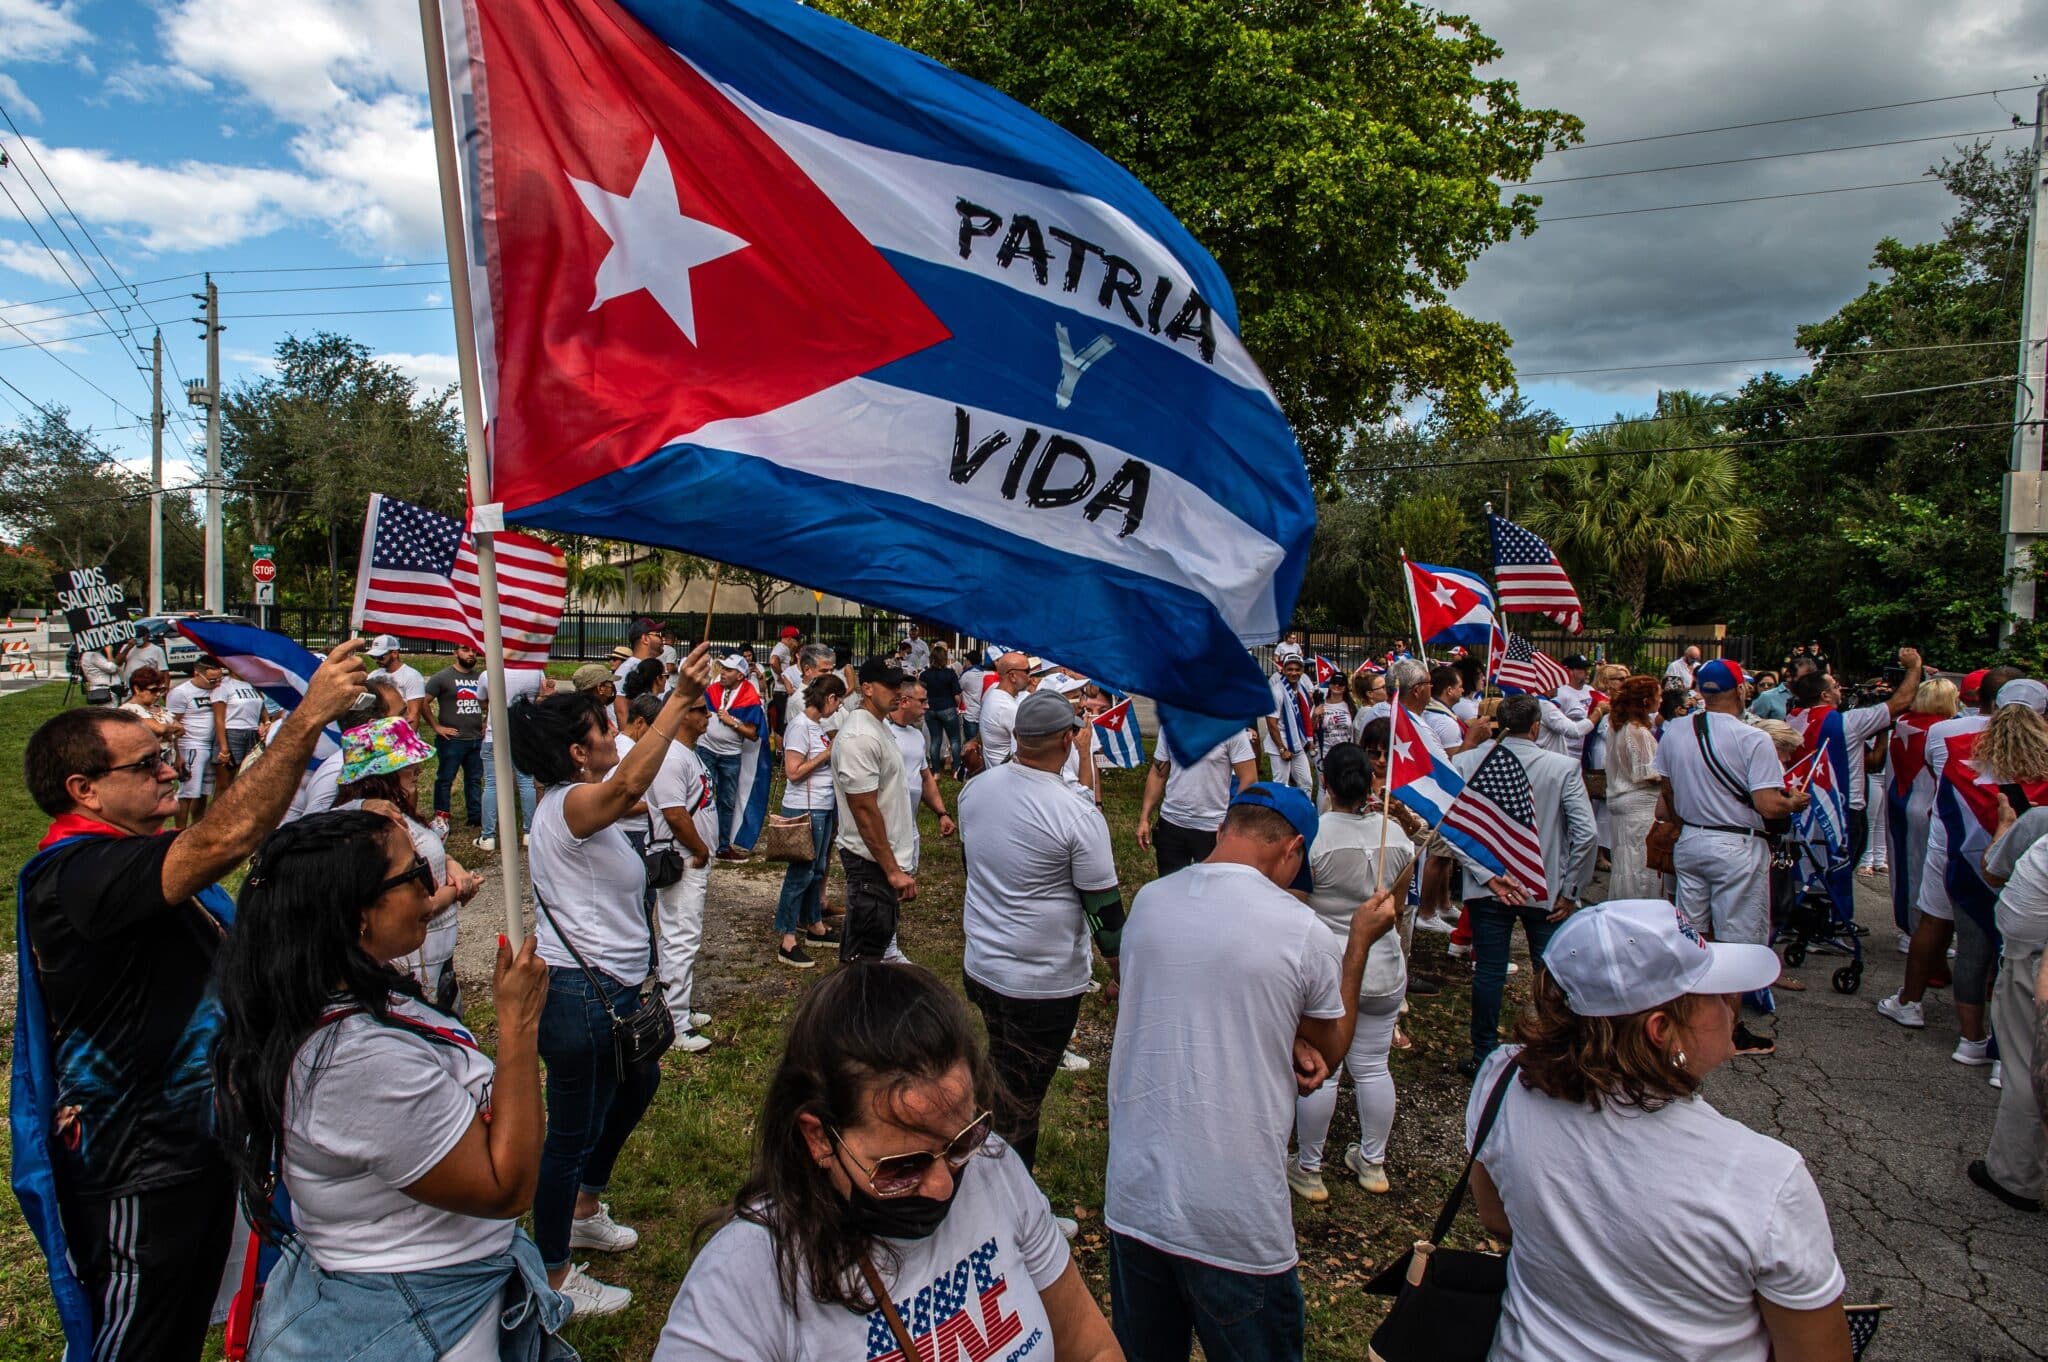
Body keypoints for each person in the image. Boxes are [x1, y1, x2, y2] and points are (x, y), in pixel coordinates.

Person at [13, 639, 367, 1362]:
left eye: (166, 751)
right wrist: (305, 723)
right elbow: (227, 835)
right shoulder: (78, 873)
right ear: (84, 790)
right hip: (136, 1161)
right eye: (146, 765)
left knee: (179, 1325)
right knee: (137, 1339)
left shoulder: (129, 859)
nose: (171, 768)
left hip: (196, 1140)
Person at [210, 810, 567, 1359]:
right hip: (417, 1313)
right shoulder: (355, 1063)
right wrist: (518, 1026)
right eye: (414, 875)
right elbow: (506, 1187)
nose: (434, 885)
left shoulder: (342, 1001)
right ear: (357, 915)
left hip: (427, 1284)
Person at [655, 960, 1121, 1361]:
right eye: (902, 1167)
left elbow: (1089, 1344)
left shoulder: (993, 1166)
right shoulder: (745, 1279)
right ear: (819, 1138)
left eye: (960, 1141)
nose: (942, 1186)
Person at [1467, 899, 1851, 1362]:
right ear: (1661, 1029)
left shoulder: (1502, 1078)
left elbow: (1497, 1218)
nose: (1734, 1005)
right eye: (1716, 994)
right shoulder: (1765, 1177)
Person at [1106, 783, 1397, 1360]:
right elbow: (1328, 1051)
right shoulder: (1300, 929)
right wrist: (1359, 943)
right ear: (1291, 849)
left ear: (1222, 831)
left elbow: (1186, 986)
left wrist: (1276, 1024)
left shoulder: (1151, 901)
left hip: (1136, 1194)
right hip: (1233, 1219)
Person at [507, 642, 712, 1316]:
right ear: (577, 752)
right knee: (568, 1131)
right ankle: (555, 1274)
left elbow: (629, 797)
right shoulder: (568, 805)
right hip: (579, 996)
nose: (614, 738)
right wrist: (679, 698)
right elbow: (628, 788)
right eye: (603, 730)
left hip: (611, 992)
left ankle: (586, 1205)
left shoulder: (575, 800)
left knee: (641, 1078)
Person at [958, 690, 1123, 1179]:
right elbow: (1105, 915)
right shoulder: (1076, 815)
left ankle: (983, 1177)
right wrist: (1126, 974)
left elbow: (976, 869)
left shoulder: (976, 790)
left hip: (983, 966)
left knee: (1002, 1076)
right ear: (1068, 740)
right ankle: (1011, 1207)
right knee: (1021, 1103)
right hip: (1040, 984)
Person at [1653, 659, 1807, 1056]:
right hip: (1736, 844)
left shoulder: (1674, 731)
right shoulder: (1752, 739)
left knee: (1695, 935)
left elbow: (1667, 793)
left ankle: (1688, 1017)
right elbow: (1768, 804)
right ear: (1741, 691)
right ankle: (1728, 1030)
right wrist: (1794, 803)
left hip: (1691, 840)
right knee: (1736, 942)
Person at [1289, 743, 1414, 1202]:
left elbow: (1297, 909)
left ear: (1326, 783)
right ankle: (1373, 1162)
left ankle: (1309, 1167)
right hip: (1383, 966)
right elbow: (1394, 910)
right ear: (1370, 783)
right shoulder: (1398, 838)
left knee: (1326, 1068)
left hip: (1332, 966)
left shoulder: (1314, 838)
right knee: (1373, 1066)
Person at [1450, 694, 1599, 1076]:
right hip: (1543, 885)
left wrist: (1483, 875)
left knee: (1490, 971)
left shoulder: (1466, 762)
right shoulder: (1562, 767)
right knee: (1550, 970)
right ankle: (1554, 1046)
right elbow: (1585, 833)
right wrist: (1570, 889)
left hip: (1489, 885)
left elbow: (1452, 830)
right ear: (1536, 727)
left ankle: (1484, 1051)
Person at [1883, 666, 2022, 1033]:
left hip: (1955, 838)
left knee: (1936, 918)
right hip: (2013, 842)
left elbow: (1935, 767)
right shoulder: (2033, 739)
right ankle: (1993, 1026)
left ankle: (1911, 1001)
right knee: (2004, 930)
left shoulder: (1945, 731)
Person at [331, 715, 483, 1014]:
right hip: (410, 962)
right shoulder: (376, 827)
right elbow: (404, 903)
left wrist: (451, 864)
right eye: (407, 763)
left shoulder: (396, 810)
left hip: (435, 955)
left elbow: (426, 853)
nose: (418, 769)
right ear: (382, 774)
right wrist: (459, 889)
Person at [1975, 790, 2048, 1211]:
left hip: (2032, 963)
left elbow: (1992, 870)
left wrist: (2004, 823)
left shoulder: (2037, 821)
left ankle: (2014, 1175)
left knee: (2026, 1069)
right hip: (2029, 954)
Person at [834, 656, 918, 961]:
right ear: (866, 688)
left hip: (880, 858)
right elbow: (864, 810)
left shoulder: (876, 726)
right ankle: (854, 1006)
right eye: (890, 685)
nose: (898, 692)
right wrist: (892, 870)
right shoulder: (860, 736)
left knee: (873, 948)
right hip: (869, 859)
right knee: (863, 959)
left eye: (901, 685)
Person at [775, 674, 847, 967]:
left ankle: (814, 924)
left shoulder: (817, 728)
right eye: (839, 701)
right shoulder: (800, 727)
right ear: (830, 698)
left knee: (817, 869)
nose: (839, 707)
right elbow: (793, 772)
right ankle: (787, 936)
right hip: (805, 809)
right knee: (801, 872)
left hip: (822, 806)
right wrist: (827, 754)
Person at [1886, 675, 1960, 946]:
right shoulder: (1944, 730)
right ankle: (1927, 935)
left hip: (1899, 803)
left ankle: (1908, 928)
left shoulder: (1902, 724)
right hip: (1932, 808)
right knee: (1931, 875)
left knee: (1904, 867)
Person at [1135, 724, 1258, 876]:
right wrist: (1144, 818)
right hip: (1171, 823)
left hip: (1213, 828)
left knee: (1212, 891)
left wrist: (1233, 821)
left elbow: (1249, 778)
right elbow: (1158, 773)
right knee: (1170, 889)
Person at [1604, 676, 1666, 899]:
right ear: (1646, 701)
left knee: (1627, 861)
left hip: (1624, 802)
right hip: (1640, 806)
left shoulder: (1618, 728)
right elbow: (1647, 773)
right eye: (1658, 695)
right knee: (1640, 863)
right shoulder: (1637, 732)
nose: (1661, 700)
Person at [700, 654, 763, 860]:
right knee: (700, 797)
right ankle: (699, 840)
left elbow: (753, 734)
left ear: (740, 675)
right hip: (705, 749)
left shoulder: (750, 696)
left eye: (728, 670)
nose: (723, 673)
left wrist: (732, 722)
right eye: (723, 668)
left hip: (730, 755)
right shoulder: (712, 689)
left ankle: (722, 846)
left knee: (726, 801)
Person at [478, 665, 547, 852]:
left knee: (492, 784)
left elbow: (482, 700)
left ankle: (488, 836)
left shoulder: (488, 674)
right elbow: (542, 696)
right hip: (523, 733)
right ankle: (529, 832)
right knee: (526, 783)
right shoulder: (535, 671)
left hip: (495, 734)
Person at [422, 641, 488, 837]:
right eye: (465, 650)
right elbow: (423, 702)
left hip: (476, 738)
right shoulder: (443, 677)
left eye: (473, 651)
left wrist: (486, 723)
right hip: (452, 740)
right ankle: (442, 817)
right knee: (445, 779)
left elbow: (490, 702)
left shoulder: (481, 677)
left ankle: (475, 817)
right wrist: (436, 726)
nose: (470, 654)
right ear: (455, 652)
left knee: (474, 779)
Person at [890, 682, 956, 861]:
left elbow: (925, 777)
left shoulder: (916, 735)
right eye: (922, 701)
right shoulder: (881, 732)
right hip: (885, 832)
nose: (927, 706)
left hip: (910, 829)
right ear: (904, 701)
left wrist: (942, 813)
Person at [166, 656, 222, 826]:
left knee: (204, 791)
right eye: (212, 680)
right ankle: (180, 830)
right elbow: (172, 724)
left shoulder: (217, 690)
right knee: (188, 792)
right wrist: (177, 754)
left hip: (211, 745)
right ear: (197, 674)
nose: (215, 683)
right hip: (191, 745)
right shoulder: (181, 693)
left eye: (219, 679)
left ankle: (197, 826)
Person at [1263, 653, 1316, 792]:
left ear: (1302, 671)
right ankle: (1280, 814)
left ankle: (1302, 813)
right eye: (1290, 669)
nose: (1294, 673)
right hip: (1280, 745)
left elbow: (1304, 715)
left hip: (1297, 744)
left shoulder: (1301, 689)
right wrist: (1282, 749)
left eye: (1297, 670)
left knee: (1306, 784)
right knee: (1281, 786)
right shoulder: (1277, 691)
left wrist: (1308, 738)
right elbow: (1271, 722)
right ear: (1283, 670)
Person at [978, 651, 1032, 769]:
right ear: (1012, 676)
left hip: (995, 773)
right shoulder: (1008, 708)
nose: (1030, 676)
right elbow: (1022, 755)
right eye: (1027, 671)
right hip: (1007, 778)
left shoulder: (992, 691)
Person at [920, 644, 965, 777]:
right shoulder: (950, 673)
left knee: (935, 740)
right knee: (955, 740)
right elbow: (957, 695)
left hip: (931, 709)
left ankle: (935, 771)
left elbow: (921, 693)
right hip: (948, 707)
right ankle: (957, 769)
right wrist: (957, 706)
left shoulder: (924, 674)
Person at [369, 636, 429, 730]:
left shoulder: (412, 676)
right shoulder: (373, 675)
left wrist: (409, 739)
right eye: (373, 657)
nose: (376, 660)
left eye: (380, 657)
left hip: (402, 730)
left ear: (394, 653)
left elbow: (414, 713)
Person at [117, 666, 179, 743]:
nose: (158, 694)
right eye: (153, 690)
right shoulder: (127, 710)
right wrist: (172, 730)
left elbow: (181, 729)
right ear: (137, 689)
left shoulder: (158, 708)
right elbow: (160, 729)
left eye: (160, 690)